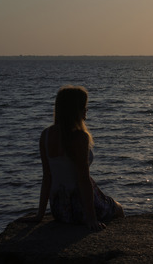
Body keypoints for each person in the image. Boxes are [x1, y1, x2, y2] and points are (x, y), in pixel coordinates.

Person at [28, 85, 124, 230]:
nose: (86, 111)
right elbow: (83, 179)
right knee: (118, 208)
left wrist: (39, 215)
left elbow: (47, 177)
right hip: (80, 208)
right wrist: (91, 219)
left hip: (59, 210)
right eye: (84, 107)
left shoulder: (46, 135)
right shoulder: (80, 137)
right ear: (76, 110)